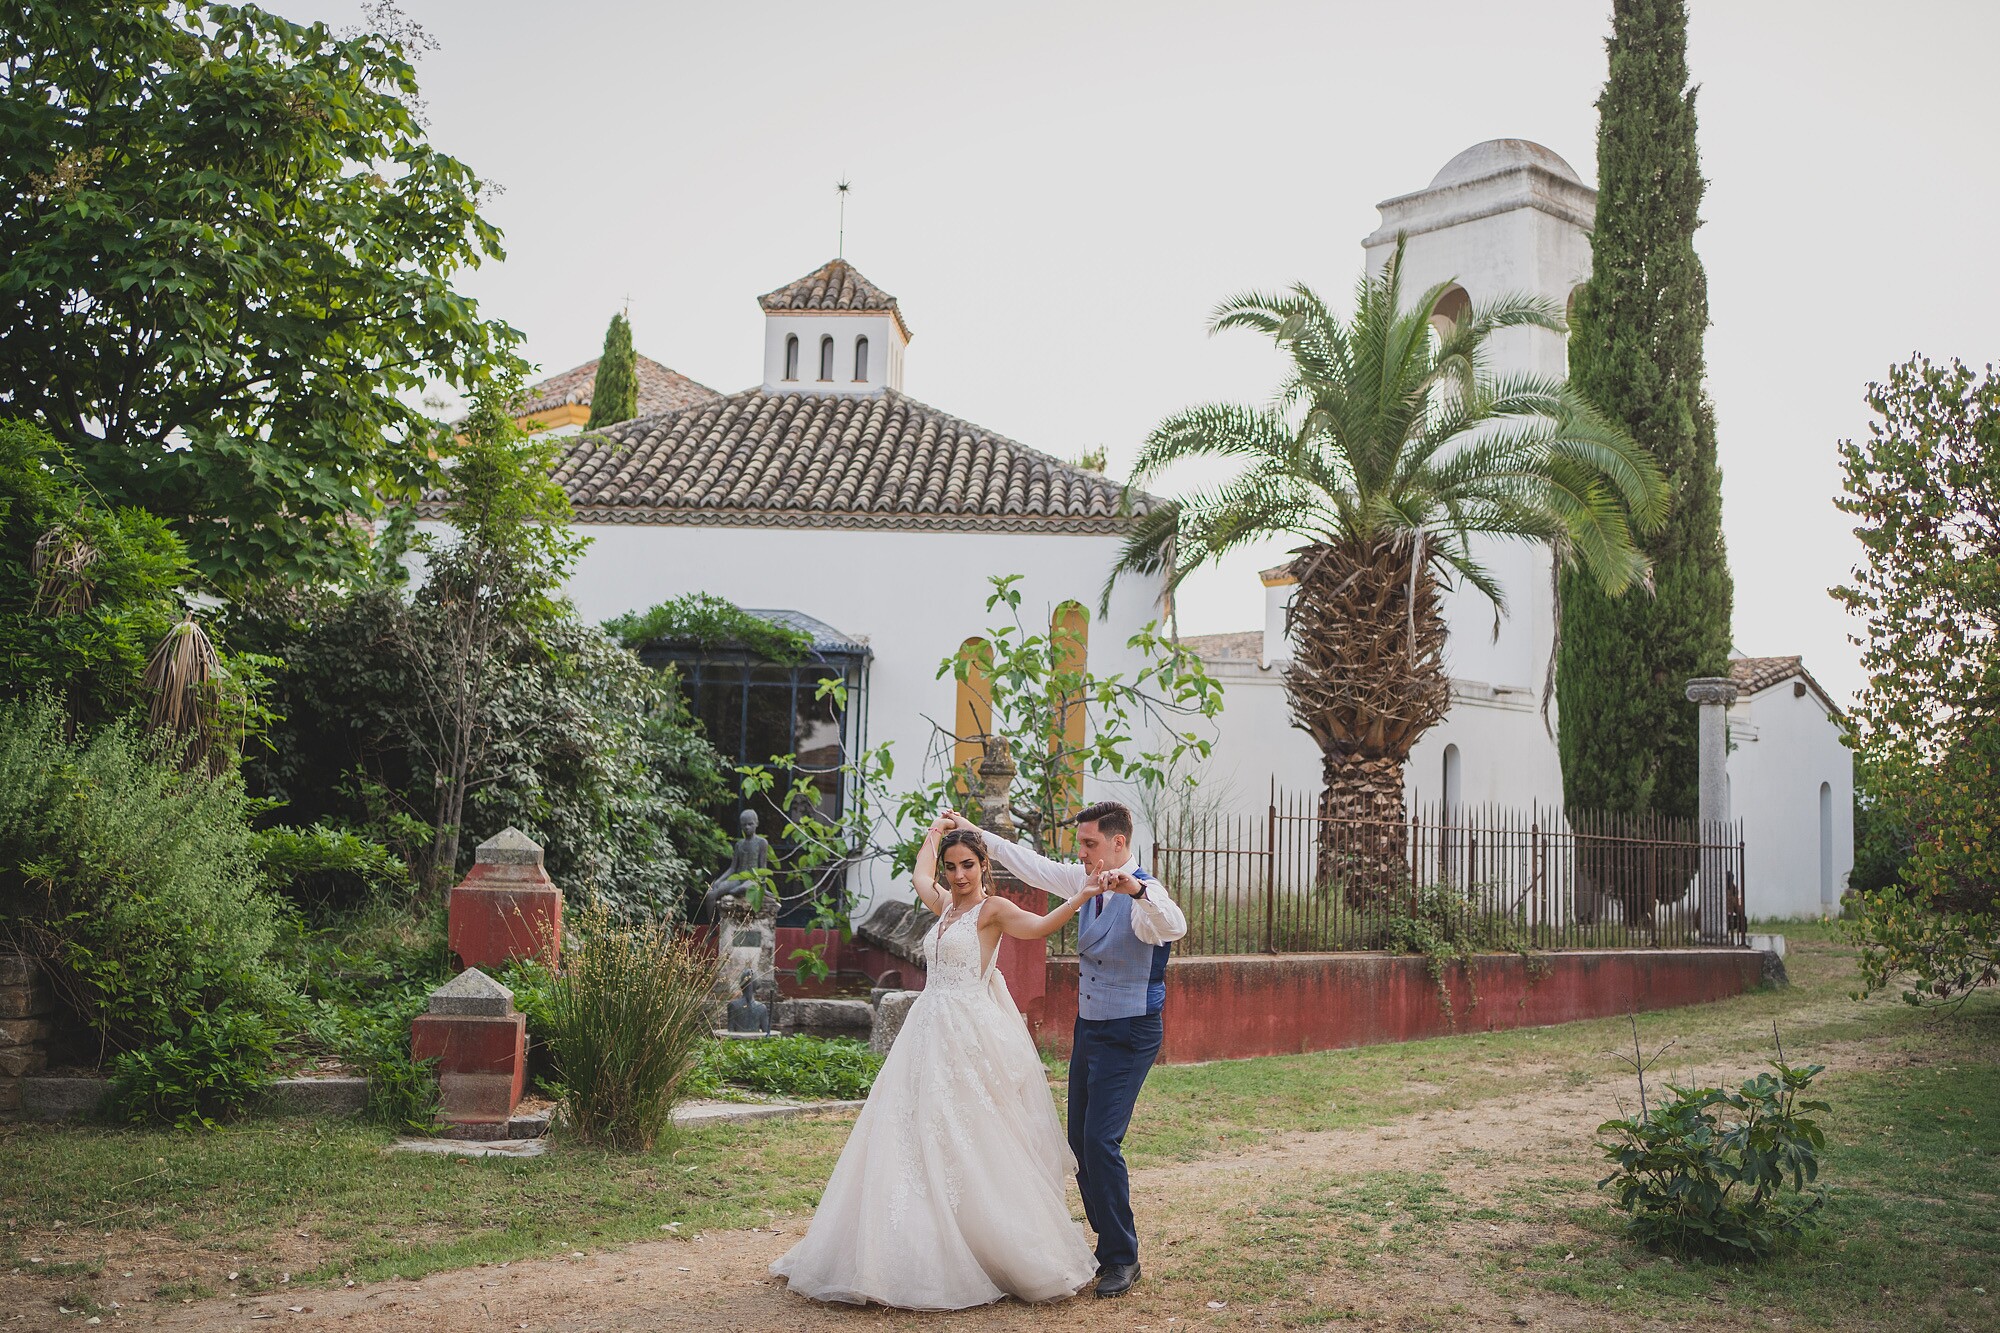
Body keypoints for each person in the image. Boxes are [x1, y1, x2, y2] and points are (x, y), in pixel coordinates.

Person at [769, 815, 1104, 1309]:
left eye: (967, 865)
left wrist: (1080, 897)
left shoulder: (994, 910)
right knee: (909, 1129)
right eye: (952, 867)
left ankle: (996, 1247)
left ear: (984, 865)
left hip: (967, 1033)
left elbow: (1037, 928)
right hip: (926, 1029)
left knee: (972, 1133)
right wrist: (934, 832)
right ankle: (906, 1248)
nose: (959, 875)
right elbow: (919, 876)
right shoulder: (945, 905)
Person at [949, 800, 1185, 1299]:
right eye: (1079, 844)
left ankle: (1123, 1256)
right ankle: (1106, 1244)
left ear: (1118, 843)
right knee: (1079, 1144)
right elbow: (1030, 863)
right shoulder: (1085, 881)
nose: (1080, 854)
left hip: (1131, 1030)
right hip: (1090, 1028)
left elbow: (1173, 925)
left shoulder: (1146, 891)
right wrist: (974, 833)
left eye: (1090, 844)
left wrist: (1137, 890)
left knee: (1101, 1141)